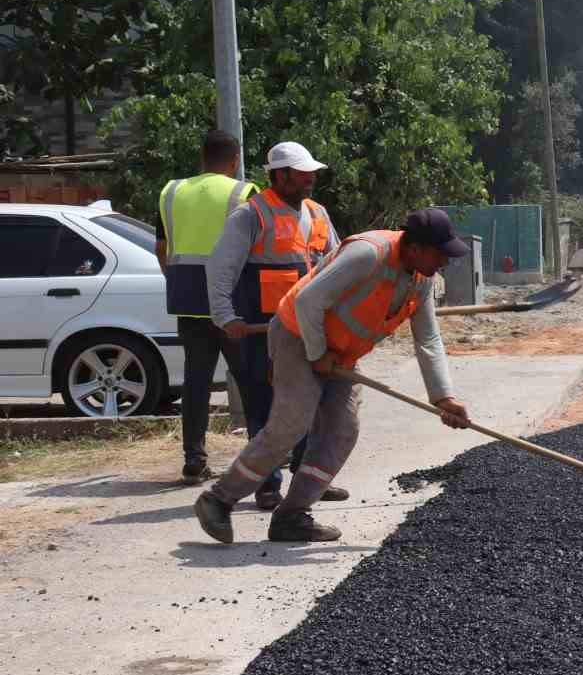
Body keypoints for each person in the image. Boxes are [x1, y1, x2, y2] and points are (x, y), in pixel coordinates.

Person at [194, 209, 473, 544]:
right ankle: (219, 499)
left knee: (342, 430)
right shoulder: (368, 254)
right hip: (298, 335)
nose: (444, 262)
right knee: (291, 424)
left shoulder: (421, 280)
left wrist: (443, 397)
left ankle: (292, 516)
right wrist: (317, 353)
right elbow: (309, 301)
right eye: (440, 254)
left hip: (341, 352)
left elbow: (428, 337)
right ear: (414, 247)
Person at [207, 141, 345, 511]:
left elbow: (336, 264)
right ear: (279, 175)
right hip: (262, 330)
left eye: (311, 173)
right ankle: (266, 485)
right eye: (302, 174)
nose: (309, 180)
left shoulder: (318, 213)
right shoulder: (251, 215)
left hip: (308, 327)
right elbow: (221, 269)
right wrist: (225, 317)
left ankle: (307, 481)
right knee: (266, 407)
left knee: (311, 404)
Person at [155, 130, 256, 485]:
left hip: (189, 301)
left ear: (202, 158)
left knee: (196, 382)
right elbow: (255, 252)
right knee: (251, 379)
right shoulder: (243, 192)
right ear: (235, 160)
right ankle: (263, 453)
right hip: (233, 303)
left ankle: (194, 460)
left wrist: (180, 281)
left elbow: (162, 247)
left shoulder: (172, 192)